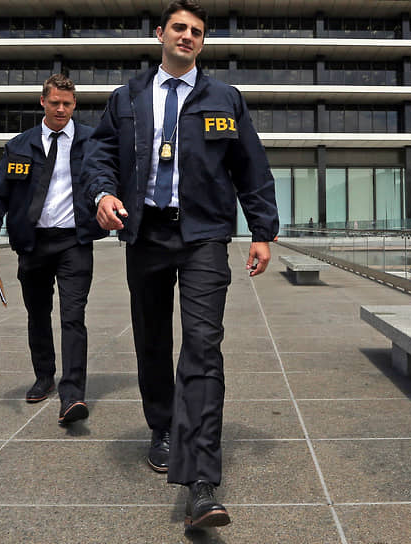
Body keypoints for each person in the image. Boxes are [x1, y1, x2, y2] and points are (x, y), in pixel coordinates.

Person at [83, 0, 278, 530]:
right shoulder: (127, 97)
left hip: (204, 235)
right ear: (160, 34)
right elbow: (99, 154)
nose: (187, 36)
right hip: (144, 232)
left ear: (202, 42)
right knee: (151, 339)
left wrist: (262, 231)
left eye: (196, 31)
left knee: (202, 345)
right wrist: (103, 193)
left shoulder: (224, 98)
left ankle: (201, 483)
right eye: (179, 28)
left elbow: (251, 167)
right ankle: (162, 426)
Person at [0, 74, 106, 426]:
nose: (61, 109)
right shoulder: (20, 146)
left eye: (67, 104)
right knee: (37, 314)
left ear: (75, 104)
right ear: (42, 102)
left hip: (74, 242)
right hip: (33, 244)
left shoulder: (92, 142)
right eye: (55, 103)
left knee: (73, 316)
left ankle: (73, 394)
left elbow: (109, 179)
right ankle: (44, 375)